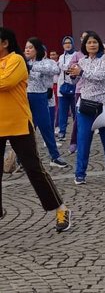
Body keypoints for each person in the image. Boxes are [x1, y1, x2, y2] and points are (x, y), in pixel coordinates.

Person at [0, 27, 71, 232]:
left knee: (33, 169)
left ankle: (61, 209)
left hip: (18, 123)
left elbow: (5, 83)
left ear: (5, 43)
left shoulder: (16, 60)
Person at [68, 31, 105, 185]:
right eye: (88, 42)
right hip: (86, 105)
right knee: (83, 139)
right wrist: (72, 75)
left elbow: (102, 76)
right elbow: (74, 81)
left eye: (94, 42)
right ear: (84, 46)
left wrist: (82, 72)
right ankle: (80, 174)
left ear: (99, 44)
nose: (92, 45)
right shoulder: (82, 61)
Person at [24, 37, 67, 168]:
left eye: (30, 47)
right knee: (26, 129)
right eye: (26, 47)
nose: (27, 50)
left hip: (40, 97)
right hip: (25, 97)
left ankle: (54, 156)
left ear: (37, 49)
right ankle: (22, 159)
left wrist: (32, 66)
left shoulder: (47, 62)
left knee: (46, 128)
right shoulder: (22, 62)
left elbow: (55, 70)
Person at [57, 36, 77, 141]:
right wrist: (64, 66)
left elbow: (72, 67)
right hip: (63, 87)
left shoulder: (77, 55)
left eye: (69, 42)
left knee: (75, 111)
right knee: (62, 112)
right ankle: (62, 132)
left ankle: (76, 132)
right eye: (65, 43)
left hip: (74, 87)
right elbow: (61, 68)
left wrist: (62, 66)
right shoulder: (61, 56)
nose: (67, 45)